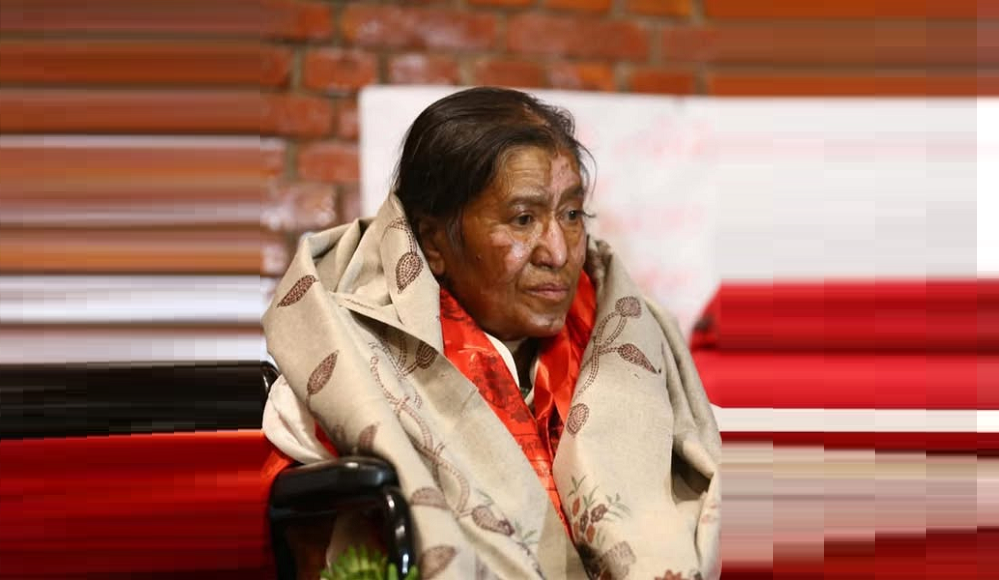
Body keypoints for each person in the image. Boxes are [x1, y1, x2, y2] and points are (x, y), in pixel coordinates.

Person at [263, 87, 721, 580]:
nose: (558, 252)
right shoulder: (346, 368)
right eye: (523, 220)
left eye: (571, 215)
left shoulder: (635, 337)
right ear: (434, 243)